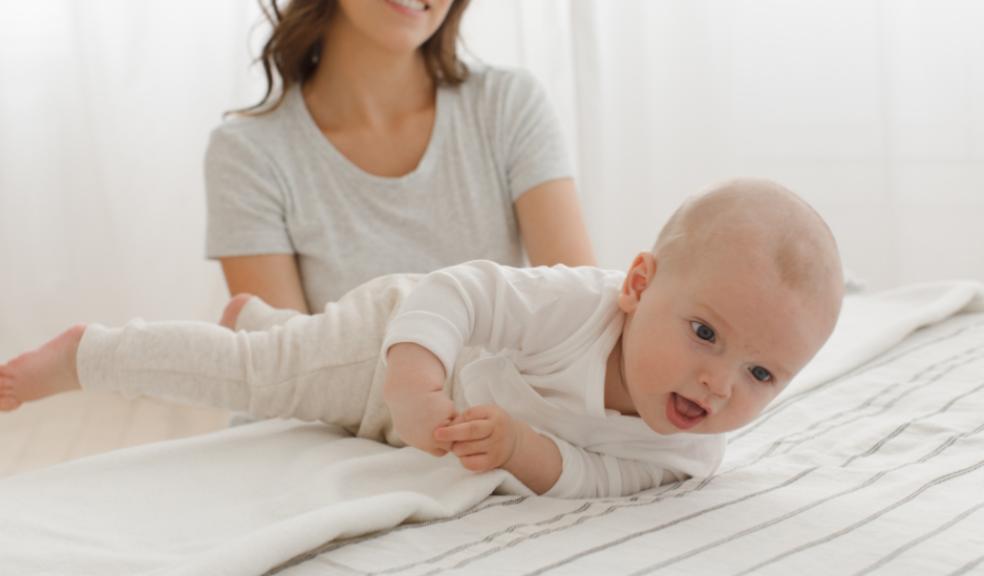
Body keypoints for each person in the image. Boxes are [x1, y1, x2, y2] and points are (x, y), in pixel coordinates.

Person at [0, 179, 844, 498]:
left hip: (440, 413)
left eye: (763, 373)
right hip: (395, 349)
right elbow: (459, 292)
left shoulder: (694, 452)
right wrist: (413, 380)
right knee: (258, 378)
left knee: (288, 352)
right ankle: (86, 354)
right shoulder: (577, 310)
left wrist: (520, 448)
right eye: (705, 333)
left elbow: (598, 474)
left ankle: (263, 320)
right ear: (636, 286)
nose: (718, 384)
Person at [208, 0, 596, 320]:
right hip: (325, 417)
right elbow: (286, 372)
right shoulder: (248, 152)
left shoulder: (507, 105)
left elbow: (580, 317)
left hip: (490, 412)